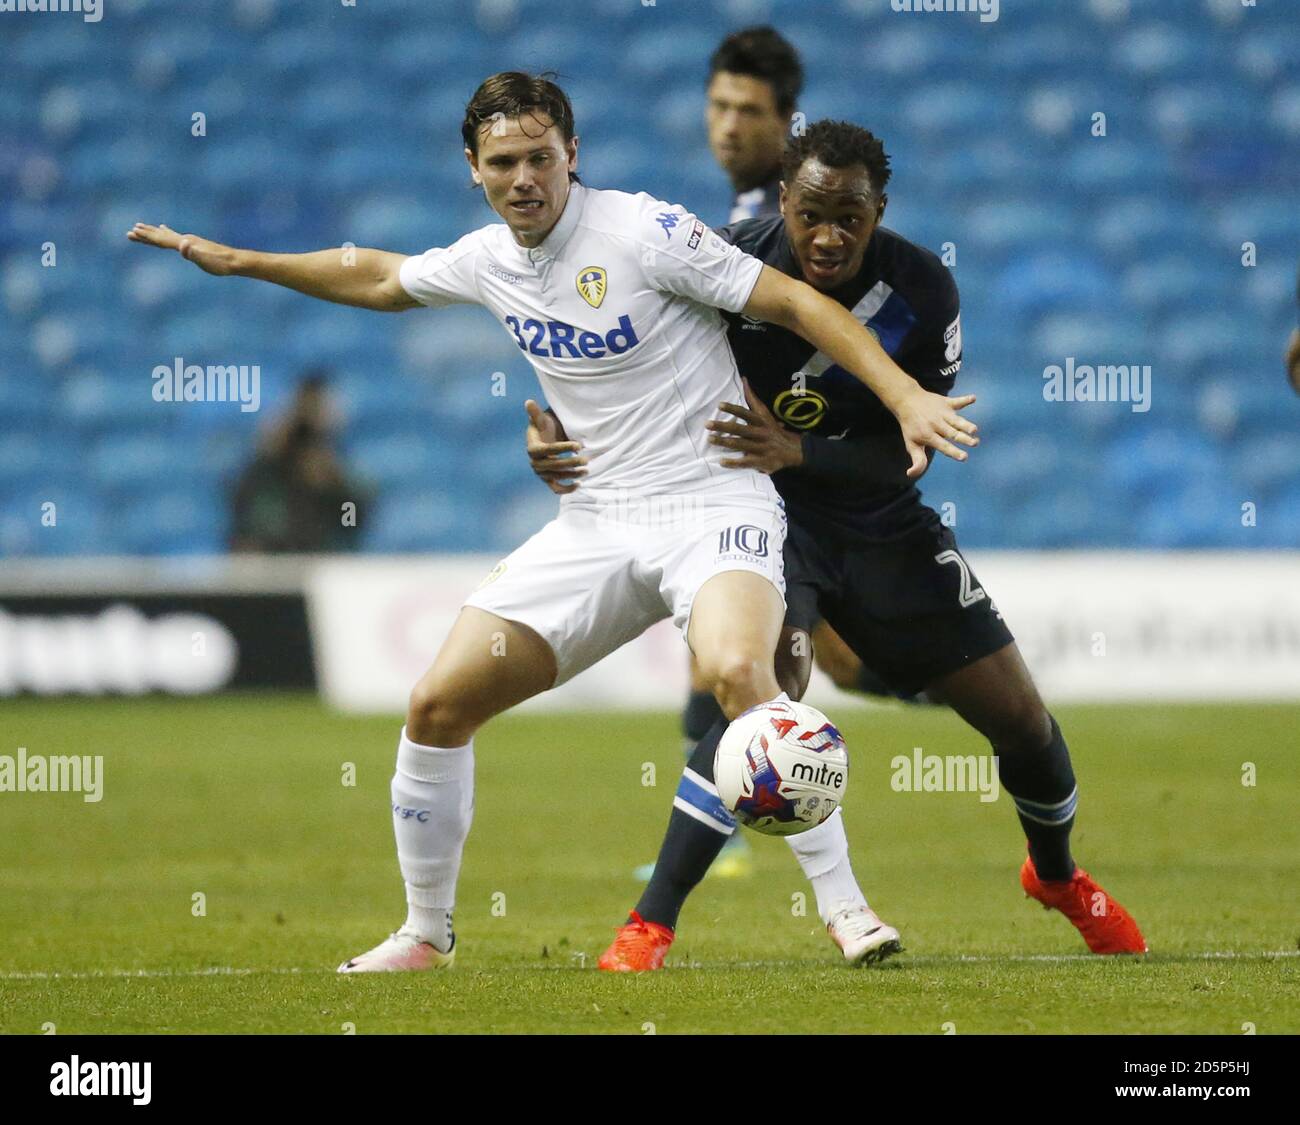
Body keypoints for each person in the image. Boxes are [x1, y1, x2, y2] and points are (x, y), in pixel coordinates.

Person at [128, 74, 977, 973]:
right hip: (598, 520)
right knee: (436, 706)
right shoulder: (488, 259)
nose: (524, 177)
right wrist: (240, 261)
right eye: (504, 162)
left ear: (574, 155)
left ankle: (846, 910)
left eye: (541, 157)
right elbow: (376, 275)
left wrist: (903, 395)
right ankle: (425, 933)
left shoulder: (646, 232)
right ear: (475, 170)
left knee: (739, 672)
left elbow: (799, 303)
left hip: (714, 501)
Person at [530, 120, 1147, 971]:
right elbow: (625, 360)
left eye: (849, 217)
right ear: (783, 199)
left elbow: (912, 441)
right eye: (811, 212)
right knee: (765, 701)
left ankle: (1058, 876)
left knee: (1021, 718)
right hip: (761, 513)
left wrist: (805, 448)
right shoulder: (724, 260)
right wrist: (561, 432)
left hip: (882, 519)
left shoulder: (922, 290)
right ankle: (650, 923)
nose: (827, 235)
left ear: (878, 211)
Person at [230, 371, 368, 553]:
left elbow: (350, 524)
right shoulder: (265, 472)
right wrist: (271, 454)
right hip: (275, 563)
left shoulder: (338, 472)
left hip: (322, 556)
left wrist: (335, 486)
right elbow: (245, 521)